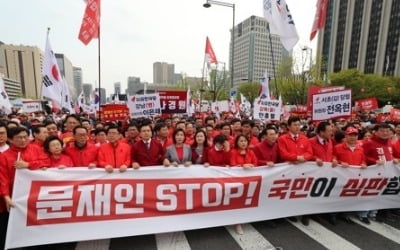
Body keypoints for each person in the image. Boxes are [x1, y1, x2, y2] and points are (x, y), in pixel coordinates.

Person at [277, 116, 313, 226]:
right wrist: (296, 158)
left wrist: (303, 158)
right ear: (288, 127)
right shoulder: (282, 138)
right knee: (291, 192)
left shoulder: (304, 138)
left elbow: (310, 152)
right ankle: (290, 212)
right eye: (295, 125)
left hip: (303, 170)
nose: (297, 127)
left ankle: (305, 214)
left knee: (304, 192)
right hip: (290, 170)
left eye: (299, 124)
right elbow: (283, 153)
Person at [334, 126, 368, 223]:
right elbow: (333, 159)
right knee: (339, 194)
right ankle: (335, 213)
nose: (353, 138)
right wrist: (340, 162)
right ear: (346, 136)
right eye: (350, 135)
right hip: (342, 176)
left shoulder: (360, 149)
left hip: (355, 178)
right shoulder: (338, 147)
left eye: (355, 135)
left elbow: (363, 161)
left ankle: (347, 213)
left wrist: (364, 164)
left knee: (351, 195)